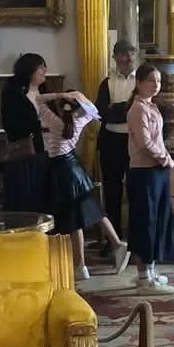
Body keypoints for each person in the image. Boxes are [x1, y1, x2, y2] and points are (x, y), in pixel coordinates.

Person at [38, 90, 129, 282]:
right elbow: (94, 108)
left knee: (75, 219)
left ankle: (81, 265)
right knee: (91, 207)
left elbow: (38, 99)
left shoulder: (55, 122)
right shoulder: (82, 118)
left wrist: (59, 94)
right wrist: (77, 95)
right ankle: (116, 244)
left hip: (61, 168)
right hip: (74, 165)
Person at [126, 61, 174, 294]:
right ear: (138, 83)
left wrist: (164, 157)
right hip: (144, 171)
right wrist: (164, 158)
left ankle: (153, 270)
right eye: (150, 81)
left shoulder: (152, 107)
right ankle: (144, 276)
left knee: (158, 219)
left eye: (158, 81)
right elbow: (145, 142)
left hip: (157, 170)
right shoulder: (137, 109)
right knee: (145, 221)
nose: (156, 85)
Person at [95, 39, 137, 243]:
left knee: (136, 190)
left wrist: (117, 108)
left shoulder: (143, 81)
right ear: (115, 57)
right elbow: (102, 113)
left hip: (136, 141)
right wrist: (126, 108)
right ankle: (114, 241)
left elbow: (144, 110)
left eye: (131, 54)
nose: (127, 59)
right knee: (112, 193)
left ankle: (136, 239)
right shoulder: (107, 82)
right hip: (111, 141)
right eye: (123, 54)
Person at [0, 53, 50, 214]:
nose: (44, 70)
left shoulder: (44, 91)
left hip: (45, 149)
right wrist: (37, 124)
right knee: (24, 196)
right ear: (29, 70)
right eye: (40, 67)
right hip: (23, 152)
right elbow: (10, 123)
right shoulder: (13, 93)